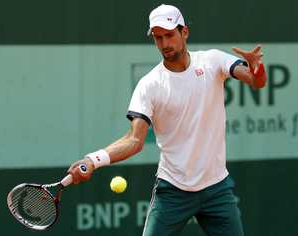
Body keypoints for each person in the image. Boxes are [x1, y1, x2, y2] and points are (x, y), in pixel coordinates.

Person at [67, 4, 267, 236]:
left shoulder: (212, 61)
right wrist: (93, 160)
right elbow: (134, 140)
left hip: (216, 188)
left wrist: (257, 68)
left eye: (169, 35)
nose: (164, 44)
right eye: (158, 37)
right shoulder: (150, 85)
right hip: (173, 190)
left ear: (184, 33)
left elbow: (256, 82)